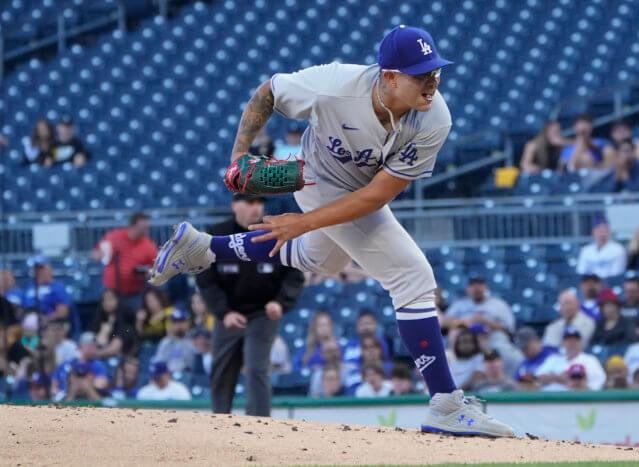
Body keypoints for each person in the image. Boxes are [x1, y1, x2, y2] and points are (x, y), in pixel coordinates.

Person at [148, 25, 514, 437]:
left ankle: (204, 248)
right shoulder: (334, 87)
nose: (432, 82)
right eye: (420, 74)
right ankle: (445, 404)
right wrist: (238, 156)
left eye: (436, 72)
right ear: (389, 76)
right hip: (315, 177)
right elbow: (267, 91)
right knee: (412, 276)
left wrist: (302, 224)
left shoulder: (435, 118)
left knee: (321, 257)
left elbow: (377, 196)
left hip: (360, 190)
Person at [195, 193, 304, 416]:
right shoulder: (217, 234)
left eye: (259, 203)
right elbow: (205, 279)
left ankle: (259, 424)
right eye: (250, 202)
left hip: (263, 312)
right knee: (222, 370)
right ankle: (219, 420)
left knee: (257, 368)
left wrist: (280, 303)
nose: (256, 208)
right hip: (228, 313)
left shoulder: (274, 232)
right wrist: (223, 312)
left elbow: (294, 274)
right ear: (235, 205)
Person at [444, 277, 521, 375]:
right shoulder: (460, 304)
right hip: (467, 340)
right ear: (467, 289)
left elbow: (509, 330)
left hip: (493, 339)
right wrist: (467, 322)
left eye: (479, 285)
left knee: (509, 354)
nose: (476, 288)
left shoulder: (498, 304)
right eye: (472, 285)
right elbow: (443, 323)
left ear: (486, 288)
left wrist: (487, 322)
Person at [92, 212, 158, 310]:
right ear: (132, 226)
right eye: (143, 227)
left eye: (147, 227)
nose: (145, 230)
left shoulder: (149, 246)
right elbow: (96, 254)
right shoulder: (113, 237)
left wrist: (146, 273)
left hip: (135, 293)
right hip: (111, 291)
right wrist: (99, 255)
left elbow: (156, 271)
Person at [537, 327, 606, 391]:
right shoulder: (553, 359)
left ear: (581, 342)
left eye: (575, 340)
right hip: (550, 401)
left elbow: (599, 384)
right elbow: (537, 379)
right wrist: (558, 378)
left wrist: (574, 381)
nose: (572, 343)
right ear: (563, 343)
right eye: (569, 340)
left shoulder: (590, 360)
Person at [52, 332, 109, 401]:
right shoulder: (67, 364)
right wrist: (71, 386)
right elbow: (53, 388)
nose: (93, 349)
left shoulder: (98, 366)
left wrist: (86, 385)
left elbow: (100, 386)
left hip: (90, 400)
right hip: (65, 398)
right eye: (89, 346)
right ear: (80, 347)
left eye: (95, 346)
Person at [22, 255, 75, 330]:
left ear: (49, 269)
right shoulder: (30, 288)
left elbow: (63, 312)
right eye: (36, 268)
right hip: (27, 325)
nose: (38, 271)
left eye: (41, 268)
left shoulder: (57, 287)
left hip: (49, 325)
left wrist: (47, 319)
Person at [90, 289, 138, 358]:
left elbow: (113, 349)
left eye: (110, 299)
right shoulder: (99, 322)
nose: (107, 303)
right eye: (104, 300)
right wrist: (103, 332)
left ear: (117, 300)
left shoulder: (125, 327)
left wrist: (93, 355)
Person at [153, 309, 196, 373]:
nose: (178, 325)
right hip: (169, 377)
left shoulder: (194, 340)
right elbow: (159, 362)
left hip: (189, 375)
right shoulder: (165, 342)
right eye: (175, 322)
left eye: (181, 321)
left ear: (188, 323)